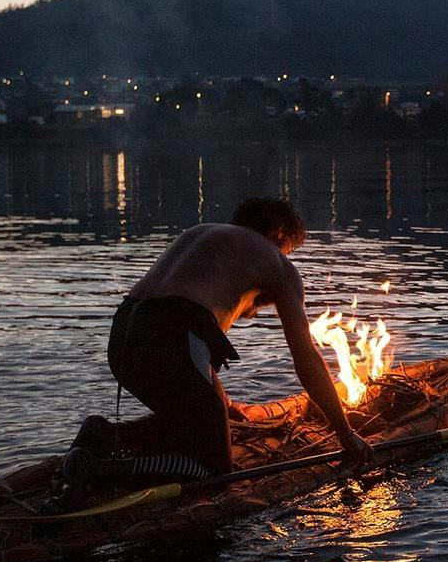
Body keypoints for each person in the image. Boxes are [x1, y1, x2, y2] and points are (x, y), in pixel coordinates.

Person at [45, 197, 375, 510]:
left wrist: (223, 406)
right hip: (171, 334)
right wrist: (345, 433)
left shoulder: (202, 234)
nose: (286, 258)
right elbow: (306, 359)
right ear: (278, 236)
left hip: (124, 331)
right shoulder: (277, 264)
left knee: (185, 426)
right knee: (214, 470)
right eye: (288, 250)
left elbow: (186, 328)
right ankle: (99, 470)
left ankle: (103, 435)